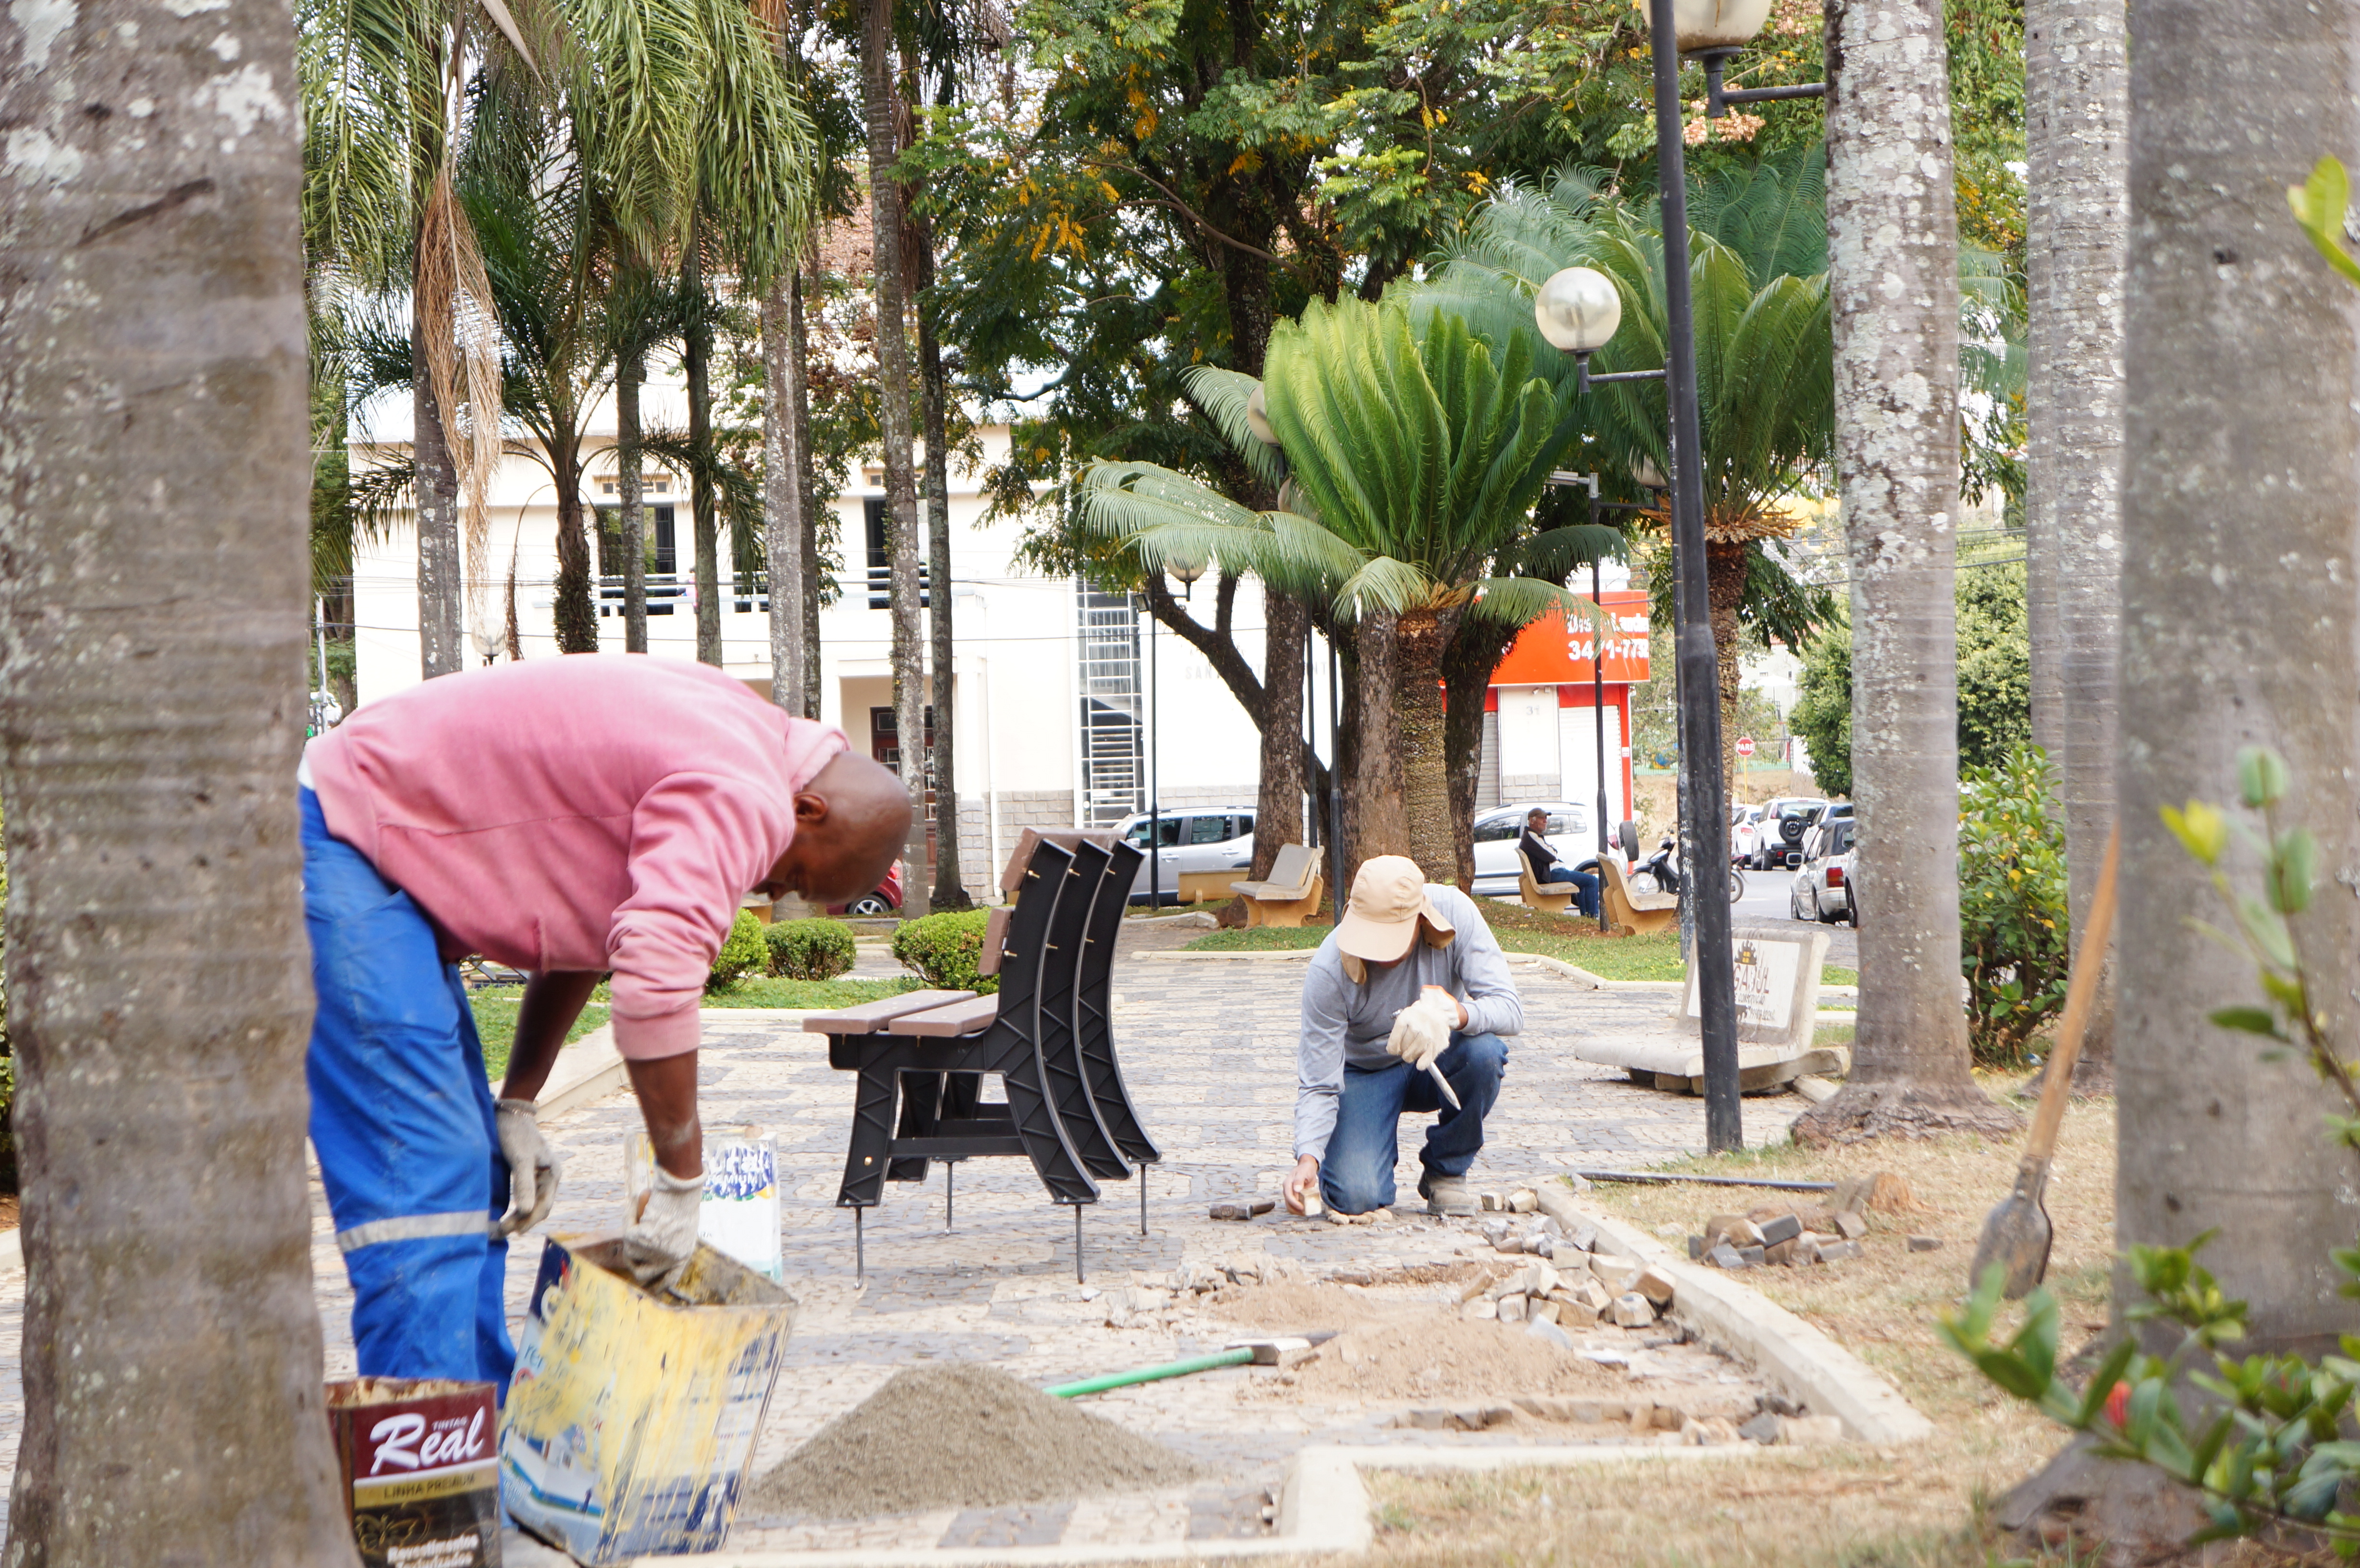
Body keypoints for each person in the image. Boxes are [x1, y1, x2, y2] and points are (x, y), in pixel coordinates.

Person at [300, 656, 908, 1389]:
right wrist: (682, 1182)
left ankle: (477, 1438)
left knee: (475, 1162)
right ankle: (425, 1481)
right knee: (421, 1174)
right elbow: (654, 986)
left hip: (366, 826)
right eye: (798, 877)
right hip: (342, 832)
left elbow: (587, 931)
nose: (774, 887)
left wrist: (518, 1101)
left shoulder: (746, 732)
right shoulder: (749, 791)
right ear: (809, 812)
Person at [1281, 856, 1522, 1218]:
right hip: (1365, 1074)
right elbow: (1318, 1083)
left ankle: (1446, 1171)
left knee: (1484, 1053)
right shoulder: (1329, 970)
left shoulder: (1456, 911)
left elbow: (1510, 1010)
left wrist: (1456, 1014)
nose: (1378, 953)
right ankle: (1358, 1157)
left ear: (1421, 918)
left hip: (1435, 1059)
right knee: (1356, 1196)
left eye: (1390, 939)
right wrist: (1308, 1158)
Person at [1516, 808, 1598, 919]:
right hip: (1552, 873)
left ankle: (1587, 918)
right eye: (1542, 819)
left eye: (1546, 818)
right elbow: (1551, 856)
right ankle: (1593, 918)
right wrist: (1552, 850)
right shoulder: (1531, 837)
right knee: (1592, 881)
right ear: (1532, 821)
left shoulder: (1532, 836)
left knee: (1584, 883)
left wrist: (1552, 850)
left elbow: (1550, 853)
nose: (1546, 821)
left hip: (1552, 872)